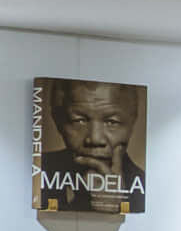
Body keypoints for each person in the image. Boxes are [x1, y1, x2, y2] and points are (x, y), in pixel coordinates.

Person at [35, 79, 146, 213]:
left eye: (112, 122)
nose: (95, 139)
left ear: (131, 124)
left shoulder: (148, 188)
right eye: (79, 121)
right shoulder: (39, 171)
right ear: (58, 122)